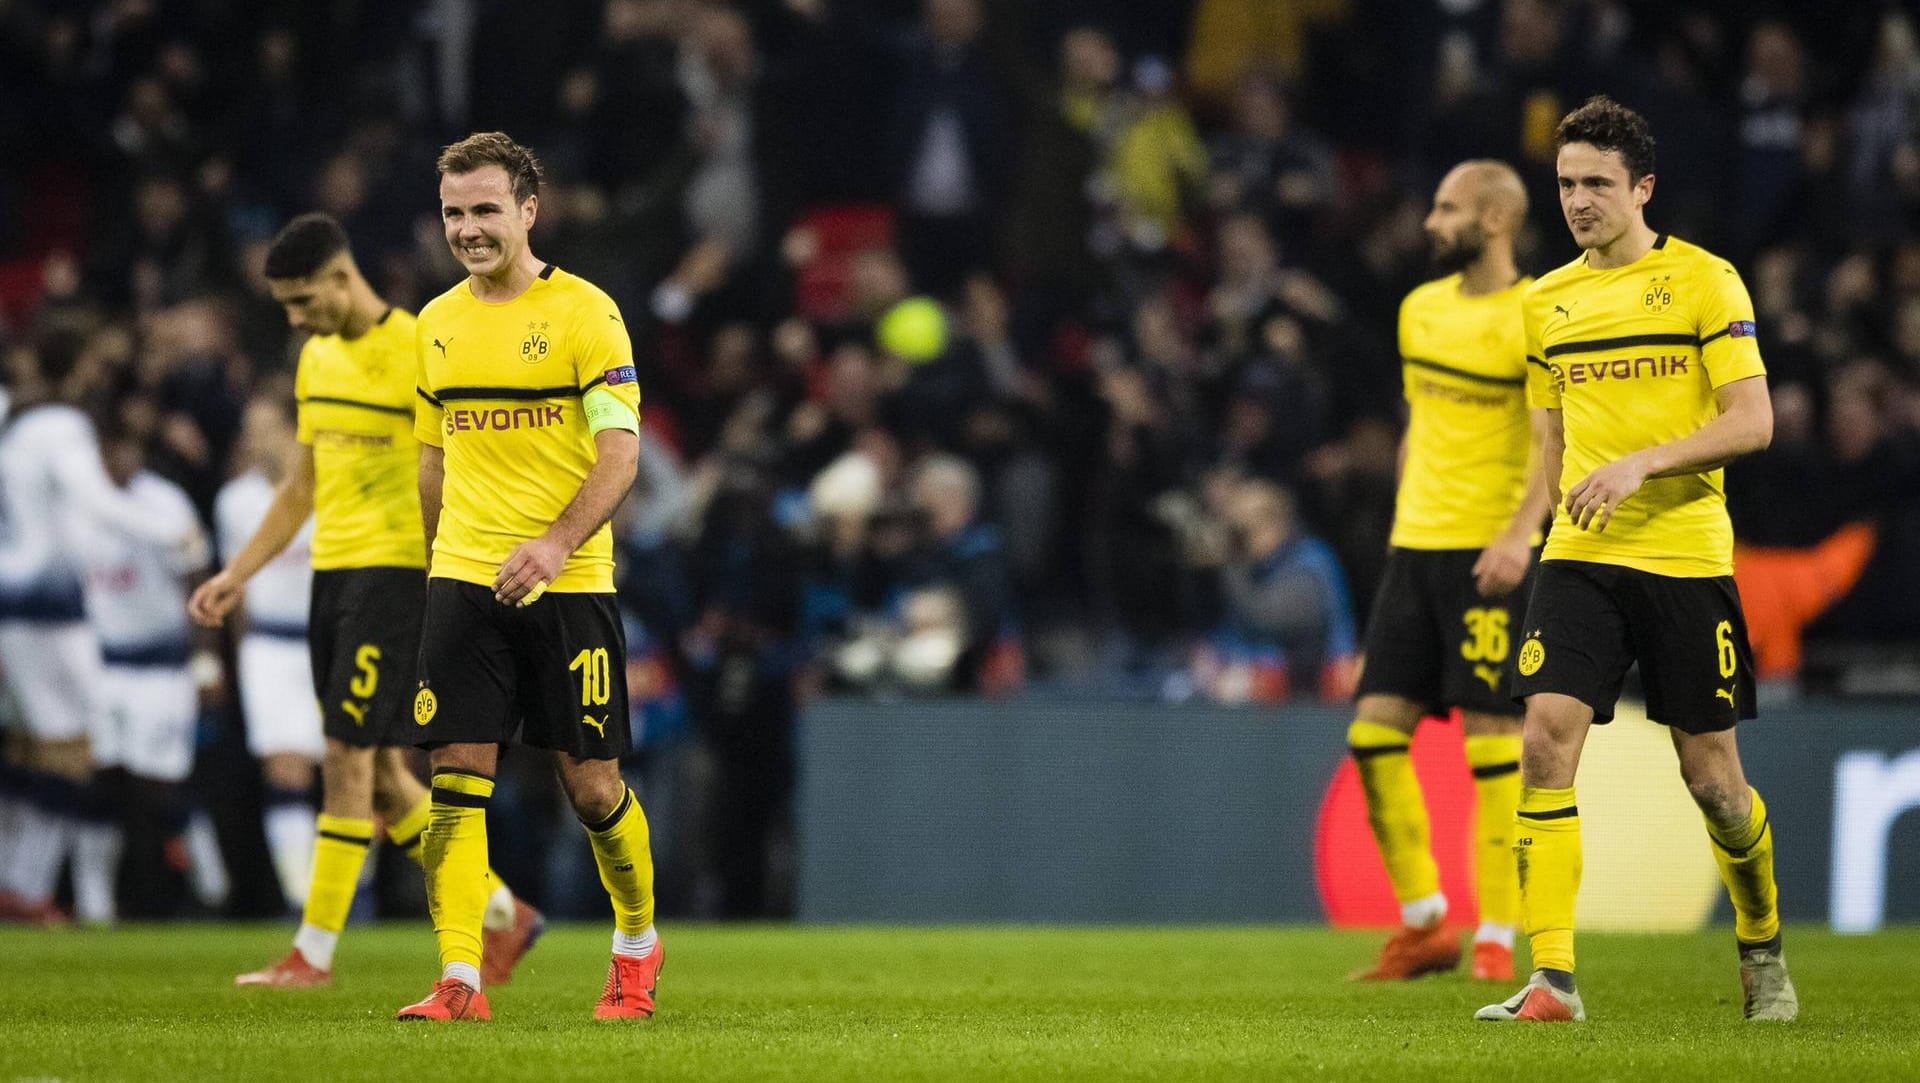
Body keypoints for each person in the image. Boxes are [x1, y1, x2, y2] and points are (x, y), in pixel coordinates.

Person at [1479, 97, 1795, 1024]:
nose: (1578, 201)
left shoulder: (1706, 283)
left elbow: (1754, 421)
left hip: (1685, 554)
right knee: (1544, 735)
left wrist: (1641, 464)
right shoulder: (1547, 302)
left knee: (1715, 783)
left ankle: (1762, 939)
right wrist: (1548, 528)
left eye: (1597, 185)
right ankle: (1552, 981)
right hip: (1581, 555)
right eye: (1567, 183)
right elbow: (1552, 433)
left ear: (1642, 188)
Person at [188, 214, 542, 989]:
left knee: (345, 755)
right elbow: (301, 487)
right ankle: (502, 910)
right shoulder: (316, 358)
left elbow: (472, 459)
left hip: (399, 573)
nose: (294, 317)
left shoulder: (418, 344)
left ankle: (310, 951)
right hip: (332, 576)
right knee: (380, 772)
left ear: (343, 279)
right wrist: (237, 573)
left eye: (303, 299)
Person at [402, 132, 659, 1022]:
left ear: (527, 210)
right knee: (455, 782)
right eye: (453, 213)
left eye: (484, 210)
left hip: (570, 580)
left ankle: (634, 944)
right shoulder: (434, 325)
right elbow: (433, 463)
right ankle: (461, 979)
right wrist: (433, 570)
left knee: (591, 787)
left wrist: (552, 545)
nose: (468, 229)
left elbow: (620, 455)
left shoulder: (588, 314)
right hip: (465, 577)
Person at [1344, 160, 1549, 983]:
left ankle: (1496, 937)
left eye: (1446, 207)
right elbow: (1418, 425)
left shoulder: (1535, 312)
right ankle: (1426, 921)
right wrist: (1402, 518)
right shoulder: (1418, 309)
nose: (1430, 223)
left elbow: (1551, 439)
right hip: (1415, 548)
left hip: (1487, 553)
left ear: (1496, 218)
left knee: (1493, 739)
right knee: (1372, 733)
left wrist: (1519, 536)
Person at [0, 333, 195, 925]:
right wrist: (171, 535)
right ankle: (23, 885)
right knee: (74, 749)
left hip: (24, 600)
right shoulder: (60, 425)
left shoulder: (14, 418)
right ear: (80, 366)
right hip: (42, 609)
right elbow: (95, 499)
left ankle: (21, 884)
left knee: (35, 750)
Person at [81, 403, 212, 924]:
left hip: (161, 664)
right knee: (97, 778)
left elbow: (196, 578)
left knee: (161, 782)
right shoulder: (80, 504)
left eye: (129, 447)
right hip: (99, 663)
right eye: (111, 447)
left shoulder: (165, 503)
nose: (120, 458)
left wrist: (206, 663)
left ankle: (208, 883)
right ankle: (93, 900)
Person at [213, 389, 322, 911]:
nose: (254, 441)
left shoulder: (330, 489)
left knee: (361, 774)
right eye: (248, 428)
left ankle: (355, 893)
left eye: (265, 427)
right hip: (271, 646)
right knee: (286, 771)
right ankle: (299, 897)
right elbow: (235, 594)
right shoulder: (236, 501)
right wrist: (237, 659)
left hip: (332, 640)